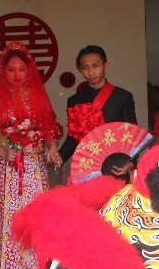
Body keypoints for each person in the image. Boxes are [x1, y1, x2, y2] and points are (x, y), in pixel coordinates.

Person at [0, 42, 62, 269]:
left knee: (37, 219)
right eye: (11, 70)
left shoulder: (39, 96)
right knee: (11, 221)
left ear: (30, 71)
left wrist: (52, 149)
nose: (16, 75)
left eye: (22, 70)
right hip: (8, 169)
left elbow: (51, 131)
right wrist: (5, 152)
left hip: (35, 169)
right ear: (3, 72)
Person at [59, 45, 138, 175]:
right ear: (80, 69)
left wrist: (131, 162)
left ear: (106, 65)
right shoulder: (74, 100)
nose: (90, 72)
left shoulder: (123, 96)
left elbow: (132, 134)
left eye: (95, 66)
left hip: (115, 166)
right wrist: (59, 158)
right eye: (85, 67)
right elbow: (73, 138)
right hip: (86, 166)